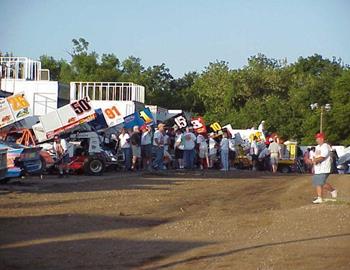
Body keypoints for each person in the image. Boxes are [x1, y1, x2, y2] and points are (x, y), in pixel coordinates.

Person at [311, 132, 337, 204]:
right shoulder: (317, 147)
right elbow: (315, 156)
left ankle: (328, 193)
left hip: (324, 168)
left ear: (322, 139)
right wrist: (313, 162)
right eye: (316, 138)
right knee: (319, 182)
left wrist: (314, 161)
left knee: (319, 182)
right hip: (318, 168)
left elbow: (322, 157)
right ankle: (324, 195)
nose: (316, 140)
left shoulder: (325, 146)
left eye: (318, 138)